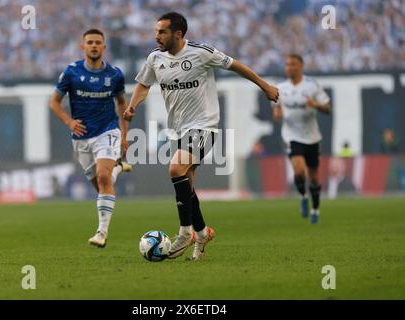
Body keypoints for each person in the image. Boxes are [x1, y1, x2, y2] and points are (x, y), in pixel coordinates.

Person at [123, 12, 278, 260]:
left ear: (178, 33)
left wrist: (265, 85)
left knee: (175, 169)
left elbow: (236, 65)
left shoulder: (200, 52)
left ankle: (185, 233)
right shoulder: (155, 58)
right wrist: (133, 106)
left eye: (162, 31)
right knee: (188, 186)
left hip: (204, 126)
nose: (156, 36)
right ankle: (202, 233)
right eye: (156, 31)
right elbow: (143, 85)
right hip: (179, 129)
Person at [50, 29, 131, 248]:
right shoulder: (71, 72)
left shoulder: (114, 75)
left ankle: (101, 233)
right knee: (100, 185)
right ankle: (117, 169)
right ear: (83, 46)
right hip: (81, 136)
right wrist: (69, 122)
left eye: (98, 43)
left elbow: (122, 104)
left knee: (103, 178)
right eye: (90, 42)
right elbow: (54, 102)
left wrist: (124, 134)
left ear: (104, 47)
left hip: (108, 130)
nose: (94, 46)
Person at [272, 54, 330, 224]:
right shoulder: (280, 88)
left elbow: (327, 108)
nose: (289, 67)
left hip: (312, 137)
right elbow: (276, 110)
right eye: (287, 64)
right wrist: (276, 113)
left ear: (301, 66)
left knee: (313, 177)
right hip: (292, 136)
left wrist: (317, 105)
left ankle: (316, 209)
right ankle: (303, 196)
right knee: (298, 172)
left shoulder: (312, 86)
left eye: (293, 64)